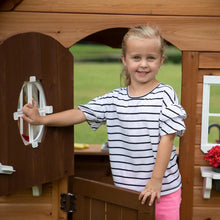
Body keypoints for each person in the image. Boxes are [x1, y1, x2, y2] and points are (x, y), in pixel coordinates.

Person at [22, 25, 186, 220]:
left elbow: (167, 140)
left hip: (163, 190)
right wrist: (42, 119)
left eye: (150, 58)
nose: (143, 64)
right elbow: (79, 114)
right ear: (125, 60)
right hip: (127, 193)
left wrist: (156, 181)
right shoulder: (114, 99)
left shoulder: (165, 94)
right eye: (136, 57)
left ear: (161, 61)